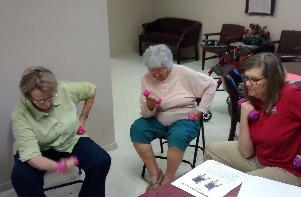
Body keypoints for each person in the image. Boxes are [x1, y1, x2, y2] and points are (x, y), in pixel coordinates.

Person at [204, 53, 301, 194]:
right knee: (211, 150)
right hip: (262, 158)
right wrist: (244, 117)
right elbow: (247, 152)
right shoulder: (256, 97)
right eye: (246, 78)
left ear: (273, 80)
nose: (248, 84)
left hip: (295, 171)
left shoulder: (293, 97)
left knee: (247, 184)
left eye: (254, 79)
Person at [11, 66, 111, 197]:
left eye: (50, 98)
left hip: (70, 140)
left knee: (101, 161)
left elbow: (91, 90)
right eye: (40, 101)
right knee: (22, 178)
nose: (47, 104)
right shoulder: (20, 114)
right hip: (40, 150)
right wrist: (59, 167)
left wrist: (83, 118)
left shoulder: (64, 89)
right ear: (28, 97)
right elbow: (31, 156)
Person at [130, 44, 216, 191]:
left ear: (169, 65)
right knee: (137, 129)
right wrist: (150, 105)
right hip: (157, 117)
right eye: (152, 70)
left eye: (160, 69)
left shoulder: (182, 72)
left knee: (177, 136)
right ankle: (155, 174)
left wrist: (201, 110)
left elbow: (211, 84)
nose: (156, 74)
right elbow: (146, 114)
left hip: (184, 117)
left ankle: (168, 180)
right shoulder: (146, 79)